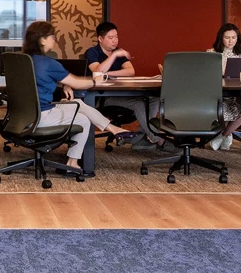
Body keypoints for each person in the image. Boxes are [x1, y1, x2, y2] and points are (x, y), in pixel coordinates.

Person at [24, 21, 133, 171]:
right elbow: (77, 83)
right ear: (42, 39)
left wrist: (64, 84)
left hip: (24, 115)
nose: (54, 39)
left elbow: (36, 80)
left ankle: (114, 129)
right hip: (42, 115)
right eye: (52, 36)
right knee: (83, 120)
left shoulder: (24, 60)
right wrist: (95, 81)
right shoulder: (48, 63)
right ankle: (72, 163)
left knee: (77, 103)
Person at [84, 22, 164, 150]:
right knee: (139, 104)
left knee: (154, 99)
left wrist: (108, 74)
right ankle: (159, 140)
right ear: (100, 39)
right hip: (103, 97)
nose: (115, 41)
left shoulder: (118, 52)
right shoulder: (92, 52)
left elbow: (130, 71)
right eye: (111, 38)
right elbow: (97, 71)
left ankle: (138, 138)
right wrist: (114, 56)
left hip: (122, 94)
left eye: (116, 37)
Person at [206, 23, 241, 151]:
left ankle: (222, 135)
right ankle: (227, 134)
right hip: (218, 93)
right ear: (221, 38)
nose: (230, 41)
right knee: (224, 106)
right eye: (227, 37)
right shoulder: (211, 53)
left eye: (234, 37)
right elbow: (207, 74)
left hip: (238, 93)